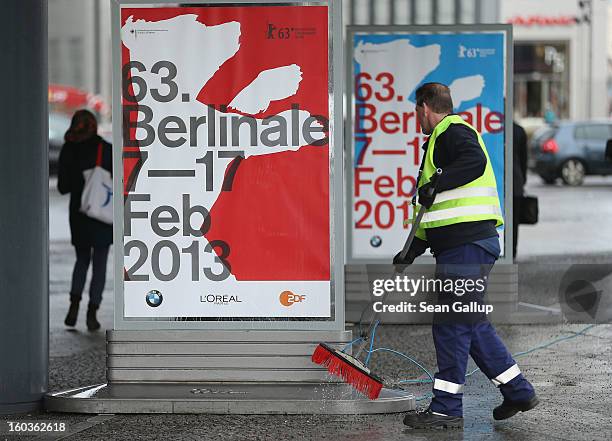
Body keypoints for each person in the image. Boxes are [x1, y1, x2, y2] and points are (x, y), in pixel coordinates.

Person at [395, 83, 538, 429]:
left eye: (416, 112)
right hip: (466, 243)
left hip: (467, 245)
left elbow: (472, 162)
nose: (416, 119)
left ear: (425, 107)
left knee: (452, 323)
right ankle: (518, 391)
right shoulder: (438, 143)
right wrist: (410, 250)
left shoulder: (452, 130)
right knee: (469, 323)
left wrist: (438, 181)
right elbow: (434, 211)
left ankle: (446, 408)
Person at [58, 109, 112, 331]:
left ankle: (74, 305)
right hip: (102, 215)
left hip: (79, 215)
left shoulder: (69, 149)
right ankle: (92, 312)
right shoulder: (105, 148)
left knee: (81, 260)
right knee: (100, 264)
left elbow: (62, 187)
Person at [513, 122, 528, 259]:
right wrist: (523, 180)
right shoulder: (519, 130)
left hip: (499, 181)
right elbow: (524, 159)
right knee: (514, 220)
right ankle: (512, 252)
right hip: (516, 181)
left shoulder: (497, 129)